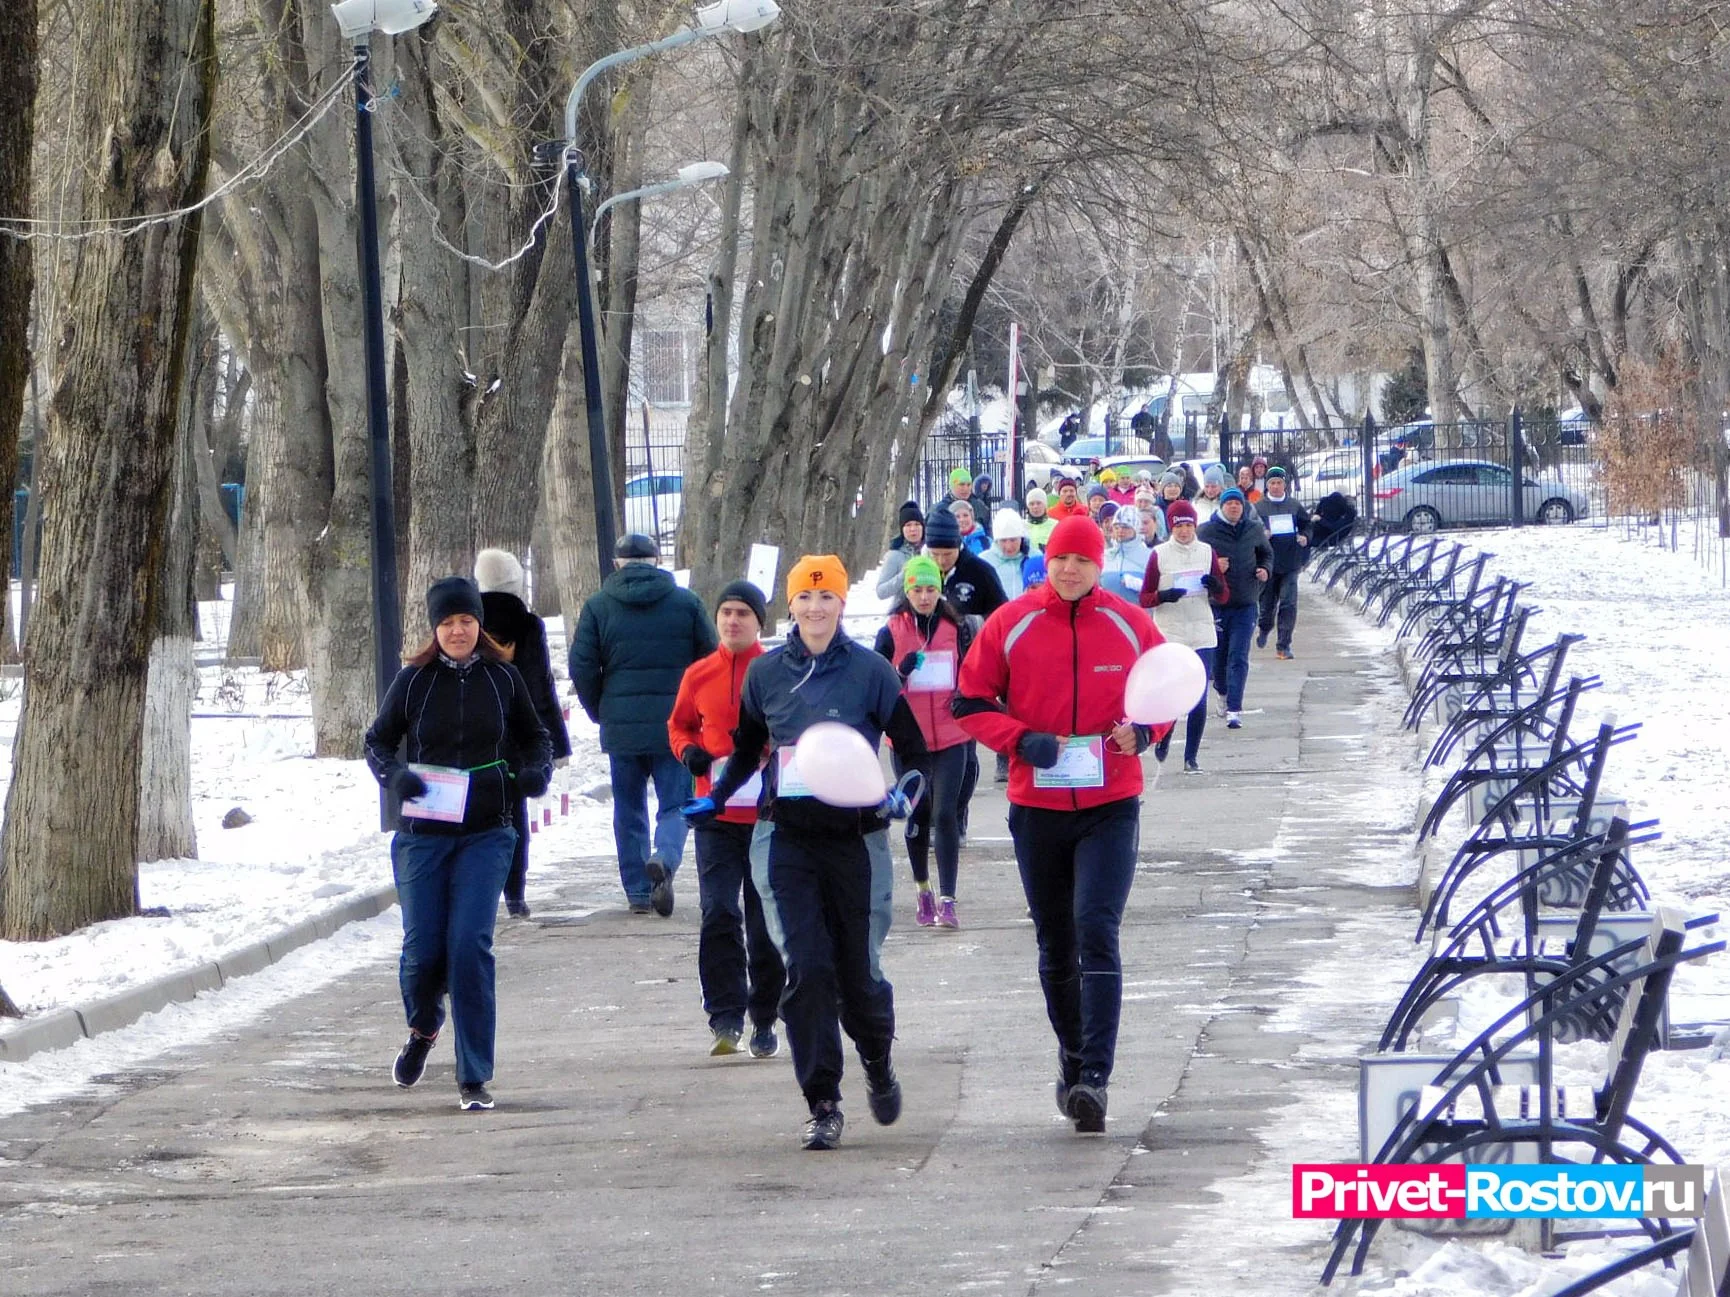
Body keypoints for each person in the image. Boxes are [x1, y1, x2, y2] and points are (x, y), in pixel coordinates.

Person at [695, 556, 930, 1151]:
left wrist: (905, 792)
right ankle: (822, 1100)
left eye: (827, 599)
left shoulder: (872, 672)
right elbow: (748, 748)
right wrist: (718, 797)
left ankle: (877, 1058)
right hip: (789, 838)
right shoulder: (767, 675)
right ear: (792, 605)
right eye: (805, 598)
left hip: (856, 839)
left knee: (858, 974)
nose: (816, 609)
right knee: (808, 967)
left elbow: (913, 748)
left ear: (842, 605)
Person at [952, 516, 1164, 1134]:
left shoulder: (1131, 624)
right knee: (1055, 942)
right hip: (1038, 809)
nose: (1071, 570)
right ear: (1049, 563)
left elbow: (1171, 691)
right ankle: (1072, 1055)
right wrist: (1021, 741)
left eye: (1083, 561)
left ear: (1101, 566)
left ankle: (1096, 1077)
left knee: (1095, 927)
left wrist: (1146, 732)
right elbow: (968, 702)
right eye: (1062, 560)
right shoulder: (1010, 622)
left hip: (1110, 804)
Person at [365, 577, 553, 1112]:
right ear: (434, 628)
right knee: (423, 951)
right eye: (447, 623)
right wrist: (395, 777)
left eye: (466, 621)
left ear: (479, 625)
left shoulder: (503, 678)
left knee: (470, 944)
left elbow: (535, 736)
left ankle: (474, 1074)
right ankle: (424, 1027)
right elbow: (377, 740)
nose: (457, 631)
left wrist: (535, 771)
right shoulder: (414, 681)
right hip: (424, 834)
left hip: (487, 831)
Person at [667, 580, 787, 1059]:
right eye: (725, 613)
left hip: (767, 813)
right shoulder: (698, 673)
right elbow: (679, 724)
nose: (733, 621)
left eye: (743, 613)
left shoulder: (775, 669)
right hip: (714, 812)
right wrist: (690, 752)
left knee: (762, 918)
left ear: (760, 621)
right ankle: (724, 1015)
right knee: (718, 909)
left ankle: (764, 1015)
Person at [570, 533, 718, 915]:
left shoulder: (599, 606)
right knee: (676, 804)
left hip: (622, 726)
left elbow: (582, 665)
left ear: (617, 563)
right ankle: (665, 859)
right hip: (677, 724)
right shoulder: (686, 603)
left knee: (628, 807)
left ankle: (637, 891)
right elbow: (709, 660)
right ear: (656, 561)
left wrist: (600, 708)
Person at [873, 555, 972, 928]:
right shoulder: (892, 630)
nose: (925, 596)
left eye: (931, 589)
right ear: (907, 591)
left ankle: (948, 898)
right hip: (909, 740)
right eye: (917, 589)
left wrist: (965, 699)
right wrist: (900, 672)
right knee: (919, 812)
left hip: (951, 736)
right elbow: (877, 687)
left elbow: (973, 673)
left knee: (946, 813)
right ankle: (923, 889)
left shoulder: (955, 626)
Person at [474, 549, 571, 919]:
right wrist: (556, 744)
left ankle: (480, 890)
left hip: (476, 731)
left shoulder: (467, 621)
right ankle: (515, 893)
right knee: (514, 816)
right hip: (516, 734)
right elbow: (539, 685)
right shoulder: (527, 624)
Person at [1139, 500, 1229, 772]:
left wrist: (1214, 586)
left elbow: (1224, 595)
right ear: (1171, 527)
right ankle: (1164, 736)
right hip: (1171, 632)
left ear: (1195, 526)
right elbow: (1145, 597)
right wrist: (1164, 596)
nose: (1185, 531)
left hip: (1201, 631)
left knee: (1198, 696)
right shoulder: (1159, 554)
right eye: (1179, 527)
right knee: (1174, 694)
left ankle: (1191, 757)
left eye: (1189, 526)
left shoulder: (1206, 552)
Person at [1197, 488, 1272, 731]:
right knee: (1220, 657)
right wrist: (1213, 566)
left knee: (1239, 656)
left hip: (1246, 601)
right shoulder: (1206, 531)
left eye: (1237, 504)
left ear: (1243, 507)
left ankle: (1234, 709)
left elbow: (1266, 553)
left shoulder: (1253, 529)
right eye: (1229, 504)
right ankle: (1222, 693)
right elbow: (1194, 562)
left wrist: (1264, 569)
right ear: (1221, 506)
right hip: (1217, 604)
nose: (1233, 507)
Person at [1254, 467, 1311, 660]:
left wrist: (1304, 536)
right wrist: (1262, 536)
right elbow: (1251, 531)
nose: (1276, 486)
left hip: (1290, 562)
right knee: (1267, 605)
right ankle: (1264, 628)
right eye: (1272, 483)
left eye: (1279, 482)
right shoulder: (1259, 507)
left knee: (1288, 603)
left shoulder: (1294, 505)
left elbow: (1307, 525)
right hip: (1268, 563)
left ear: (1285, 484)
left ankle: (1283, 645)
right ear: (1267, 485)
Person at [922, 507, 1007, 621]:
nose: (941, 561)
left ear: (958, 547)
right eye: (935, 554)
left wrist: (973, 623)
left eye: (948, 554)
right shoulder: (921, 572)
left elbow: (1003, 615)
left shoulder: (981, 572)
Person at [874, 501, 925, 601]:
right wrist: (904, 575)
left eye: (917, 524)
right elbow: (881, 592)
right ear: (902, 529)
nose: (913, 529)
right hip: (903, 612)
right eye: (908, 525)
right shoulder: (895, 555)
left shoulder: (931, 551)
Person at [1098, 506, 1151, 601]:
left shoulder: (1150, 556)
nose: (1120, 530)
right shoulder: (1105, 556)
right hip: (1108, 613)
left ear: (1136, 529)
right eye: (1116, 527)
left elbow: (1159, 591)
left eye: (1126, 527)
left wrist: (1140, 585)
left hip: (1139, 613)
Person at [983, 509, 1031, 599]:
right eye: (1003, 540)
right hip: (996, 611)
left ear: (1021, 538)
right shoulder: (985, 560)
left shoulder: (1034, 557)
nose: (1008, 546)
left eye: (1013, 540)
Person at [1024, 486, 1056, 552]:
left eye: (1039, 503)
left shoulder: (1055, 525)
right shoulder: (1021, 525)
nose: (1035, 506)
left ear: (1045, 505)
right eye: (1031, 504)